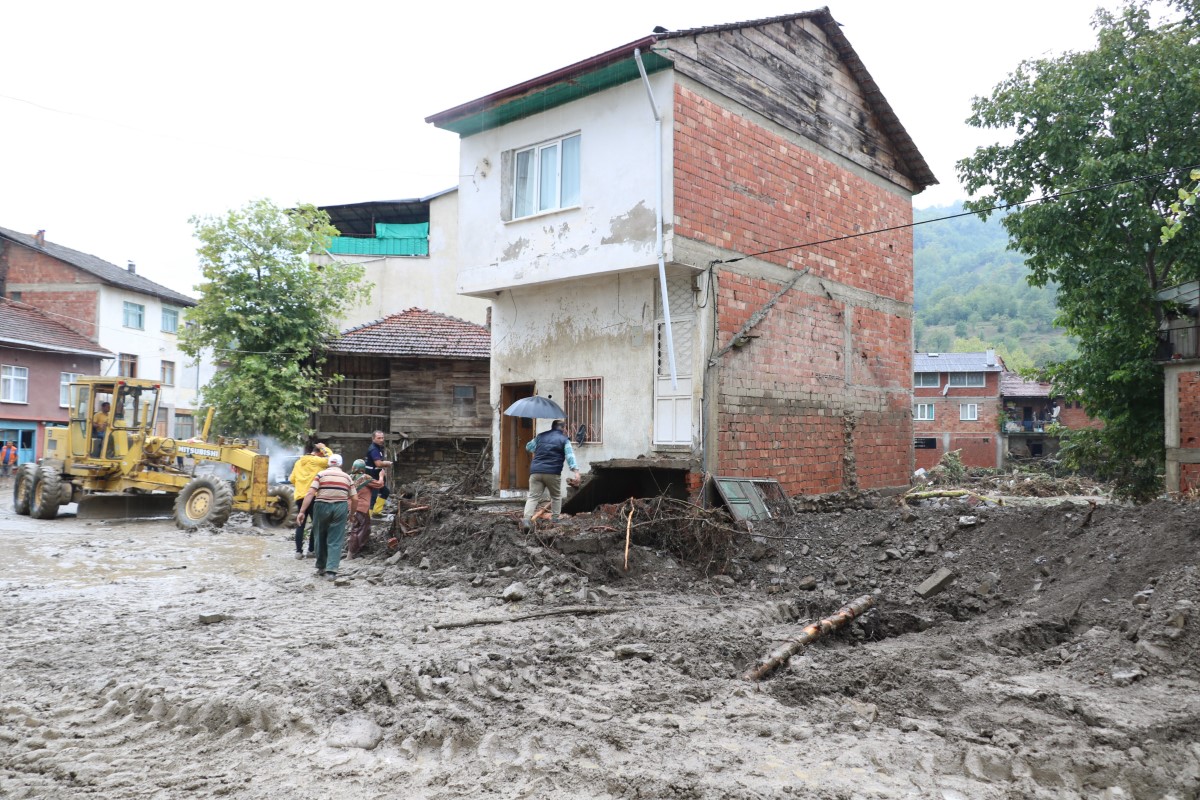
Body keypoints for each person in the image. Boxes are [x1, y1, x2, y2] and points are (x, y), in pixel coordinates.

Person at [296, 453, 354, 581]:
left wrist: (302, 512)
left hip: (321, 506)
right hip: (340, 507)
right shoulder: (347, 477)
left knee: (319, 536)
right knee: (335, 539)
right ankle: (331, 571)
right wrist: (352, 513)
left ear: (328, 463)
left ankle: (321, 566)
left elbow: (311, 493)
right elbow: (354, 497)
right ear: (341, 464)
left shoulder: (320, 475)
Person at [521, 419, 581, 531]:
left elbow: (528, 447)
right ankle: (554, 520)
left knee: (533, 496)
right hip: (552, 472)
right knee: (556, 496)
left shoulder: (540, 436)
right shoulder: (564, 440)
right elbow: (570, 457)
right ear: (563, 428)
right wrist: (576, 472)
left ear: (552, 427)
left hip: (536, 471)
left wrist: (540, 449)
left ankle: (526, 519)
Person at [288, 443, 330, 559]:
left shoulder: (298, 462)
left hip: (300, 496)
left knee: (300, 524)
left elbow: (291, 479)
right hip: (314, 496)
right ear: (320, 453)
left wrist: (301, 485)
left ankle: (298, 552)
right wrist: (324, 448)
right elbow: (331, 460)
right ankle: (311, 551)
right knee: (315, 524)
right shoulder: (318, 460)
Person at [346, 459, 385, 559]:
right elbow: (379, 484)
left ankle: (354, 549)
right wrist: (381, 475)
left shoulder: (349, 477)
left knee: (358, 528)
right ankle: (352, 552)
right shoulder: (365, 477)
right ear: (363, 469)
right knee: (361, 529)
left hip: (350, 506)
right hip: (361, 507)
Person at [365, 430, 393, 515]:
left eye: (382, 438)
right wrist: (387, 463)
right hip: (372, 475)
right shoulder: (373, 449)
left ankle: (376, 511)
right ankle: (368, 518)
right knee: (373, 497)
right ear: (373, 439)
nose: (381, 440)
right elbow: (378, 463)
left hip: (377, 474)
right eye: (379, 438)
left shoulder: (378, 447)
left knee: (385, 492)